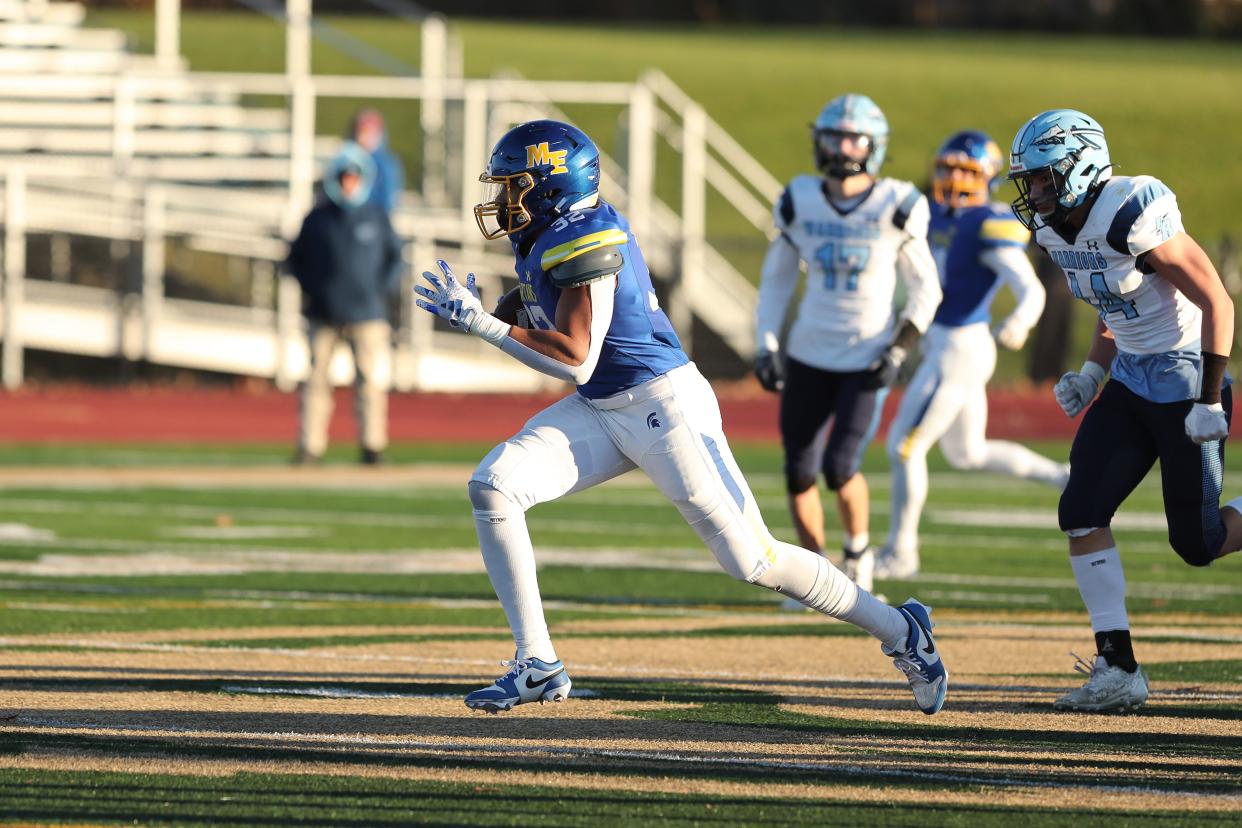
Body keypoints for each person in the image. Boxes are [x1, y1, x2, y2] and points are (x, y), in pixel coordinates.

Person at [414, 119, 948, 716]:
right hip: (607, 407)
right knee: (495, 486)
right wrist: (490, 311)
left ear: (549, 185)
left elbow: (577, 358)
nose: (501, 199)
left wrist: (482, 325)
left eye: (514, 185)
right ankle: (536, 663)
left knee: (755, 560)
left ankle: (902, 630)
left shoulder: (587, 234)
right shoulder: (549, 233)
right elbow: (540, 309)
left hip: (661, 406)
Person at [1008, 109, 1242, 712]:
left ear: (1079, 168)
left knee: (1199, 542)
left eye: (1041, 179)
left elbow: (1217, 299)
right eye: (1028, 181)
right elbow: (1113, 307)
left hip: (1186, 378)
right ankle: (1118, 666)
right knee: (1081, 510)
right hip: (1131, 381)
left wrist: (1210, 397)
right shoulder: (1057, 232)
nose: (1033, 193)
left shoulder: (1133, 213)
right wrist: (1092, 373)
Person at [753, 94, 942, 598]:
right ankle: (815, 576)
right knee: (798, 470)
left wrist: (900, 347)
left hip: (866, 354)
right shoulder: (800, 198)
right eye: (832, 136)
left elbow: (928, 289)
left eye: (851, 137)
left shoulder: (897, 203)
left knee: (841, 467)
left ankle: (857, 559)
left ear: (874, 146)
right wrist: (766, 344)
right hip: (808, 352)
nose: (840, 147)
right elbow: (775, 282)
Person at [875, 130, 1069, 580]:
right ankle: (1063, 477)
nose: (953, 177)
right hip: (945, 344)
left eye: (966, 169)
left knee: (905, 447)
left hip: (960, 346)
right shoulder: (933, 214)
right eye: (948, 167)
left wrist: (1019, 322)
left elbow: (1030, 288)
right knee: (967, 453)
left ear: (989, 176)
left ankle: (901, 552)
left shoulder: (988, 220)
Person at [286, 141, 404, 465]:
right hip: (323, 314)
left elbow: (396, 258)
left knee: (369, 383)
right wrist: (314, 290)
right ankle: (310, 447)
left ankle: (372, 446)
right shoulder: (317, 218)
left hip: (367, 314)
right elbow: (294, 260)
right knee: (315, 383)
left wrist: (379, 290)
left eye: (353, 177)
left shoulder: (376, 216)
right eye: (343, 177)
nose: (347, 183)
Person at [349, 108, 405, 214]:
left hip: (376, 218)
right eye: (363, 132)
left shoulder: (387, 164)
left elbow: (389, 199)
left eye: (372, 132)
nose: (367, 137)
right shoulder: (348, 159)